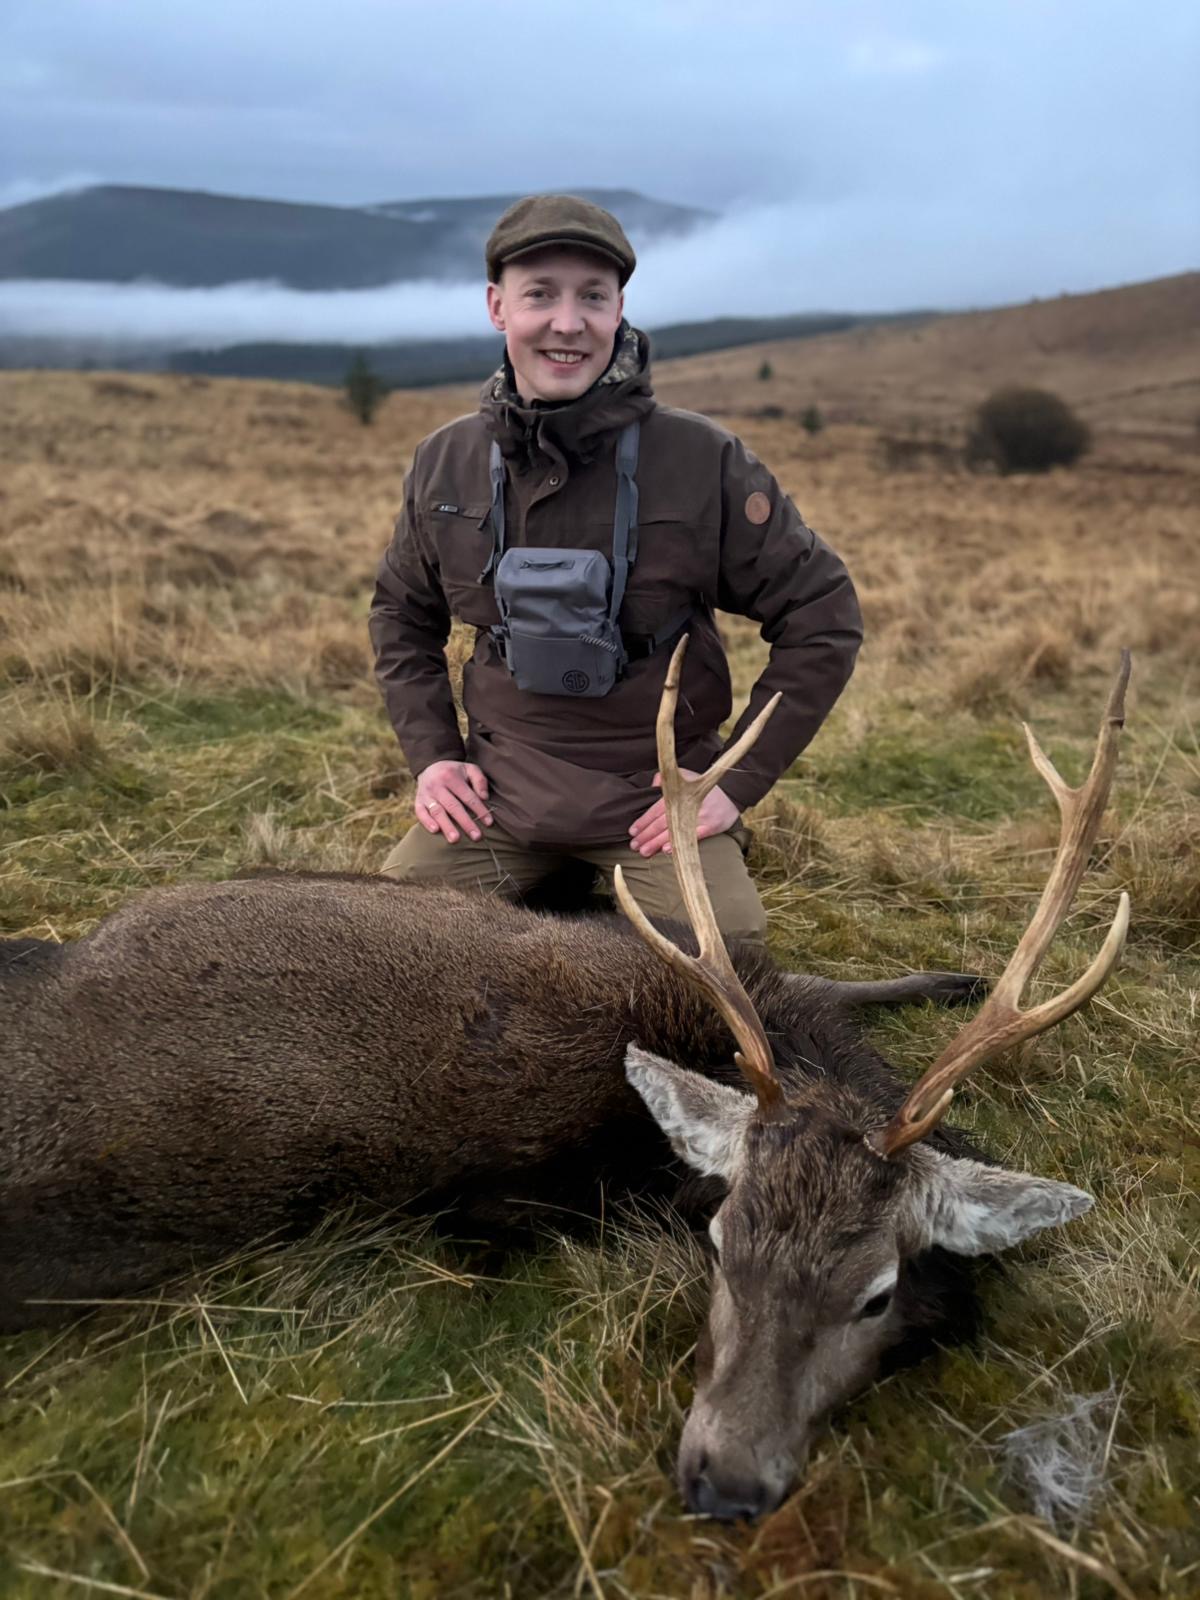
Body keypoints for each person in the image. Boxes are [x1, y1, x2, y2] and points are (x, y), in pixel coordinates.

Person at [369, 194, 862, 941]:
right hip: (500, 794)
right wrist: (435, 759)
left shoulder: (703, 461)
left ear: (620, 309)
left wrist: (731, 780)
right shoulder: (447, 460)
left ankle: (572, 890)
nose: (568, 323)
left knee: (722, 957)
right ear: (498, 306)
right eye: (541, 295)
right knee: (389, 943)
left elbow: (823, 614)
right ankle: (552, 881)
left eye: (592, 298)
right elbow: (402, 614)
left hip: (653, 804)